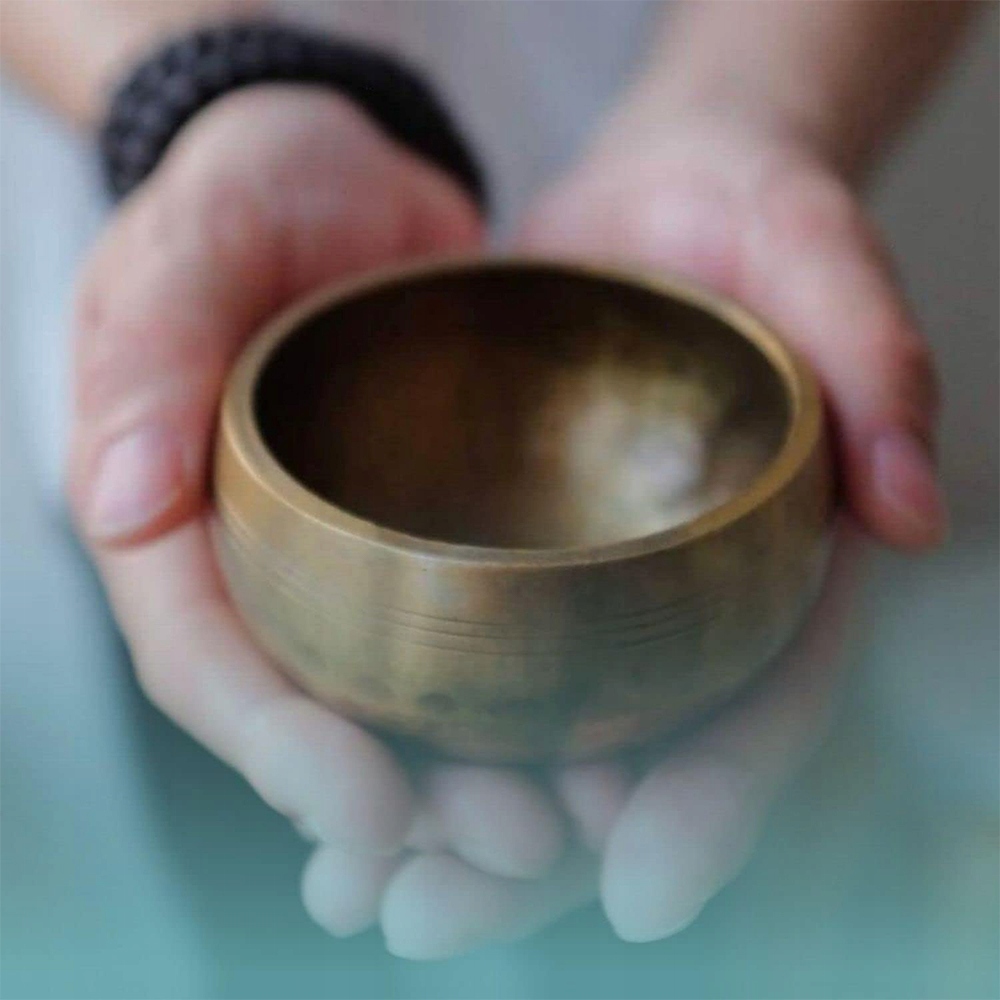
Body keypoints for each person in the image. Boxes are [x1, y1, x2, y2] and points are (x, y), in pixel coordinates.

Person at [0, 0, 975, 962]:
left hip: (709, 255)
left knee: (675, 927)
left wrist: (754, 107)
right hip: (197, 328)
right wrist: (209, 85)